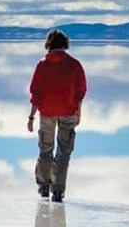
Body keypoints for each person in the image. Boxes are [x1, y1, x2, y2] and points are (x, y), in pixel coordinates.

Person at [27, 29, 87, 202]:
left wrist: (31, 116)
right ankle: (58, 190)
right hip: (69, 112)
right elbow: (80, 92)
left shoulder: (42, 65)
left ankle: (44, 186)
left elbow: (36, 93)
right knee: (63, 153)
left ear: (49, 44)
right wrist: (79, 112)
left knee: (45, 150)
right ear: (65, 44)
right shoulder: (74, 65)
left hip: (46, 113)